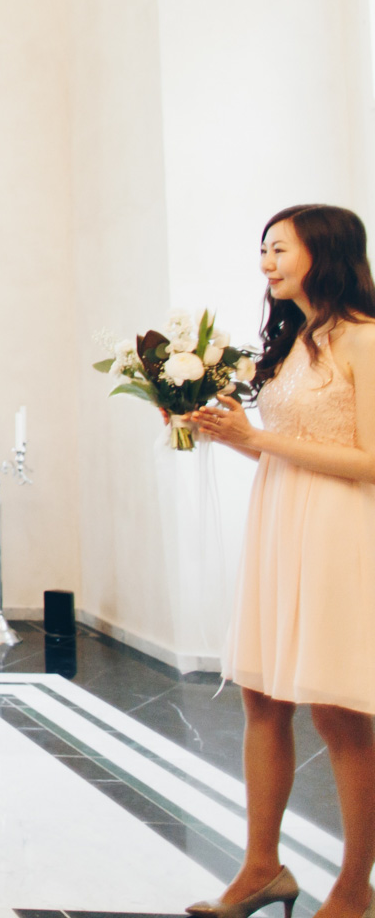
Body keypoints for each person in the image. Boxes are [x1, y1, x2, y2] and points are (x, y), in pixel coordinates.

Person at [188, 204, 375, 918]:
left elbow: (371, 459)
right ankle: (261, 867)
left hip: (336, 529)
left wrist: (258, 440)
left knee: (339, 711)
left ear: (323, 251)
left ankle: (355, 888)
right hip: (278, 521)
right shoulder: (295, 340)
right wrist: (219, 429)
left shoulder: (364, 339)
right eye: (263, 250)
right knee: (262, 699)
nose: (267, 261)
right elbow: (278, 437)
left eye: (279, 248)